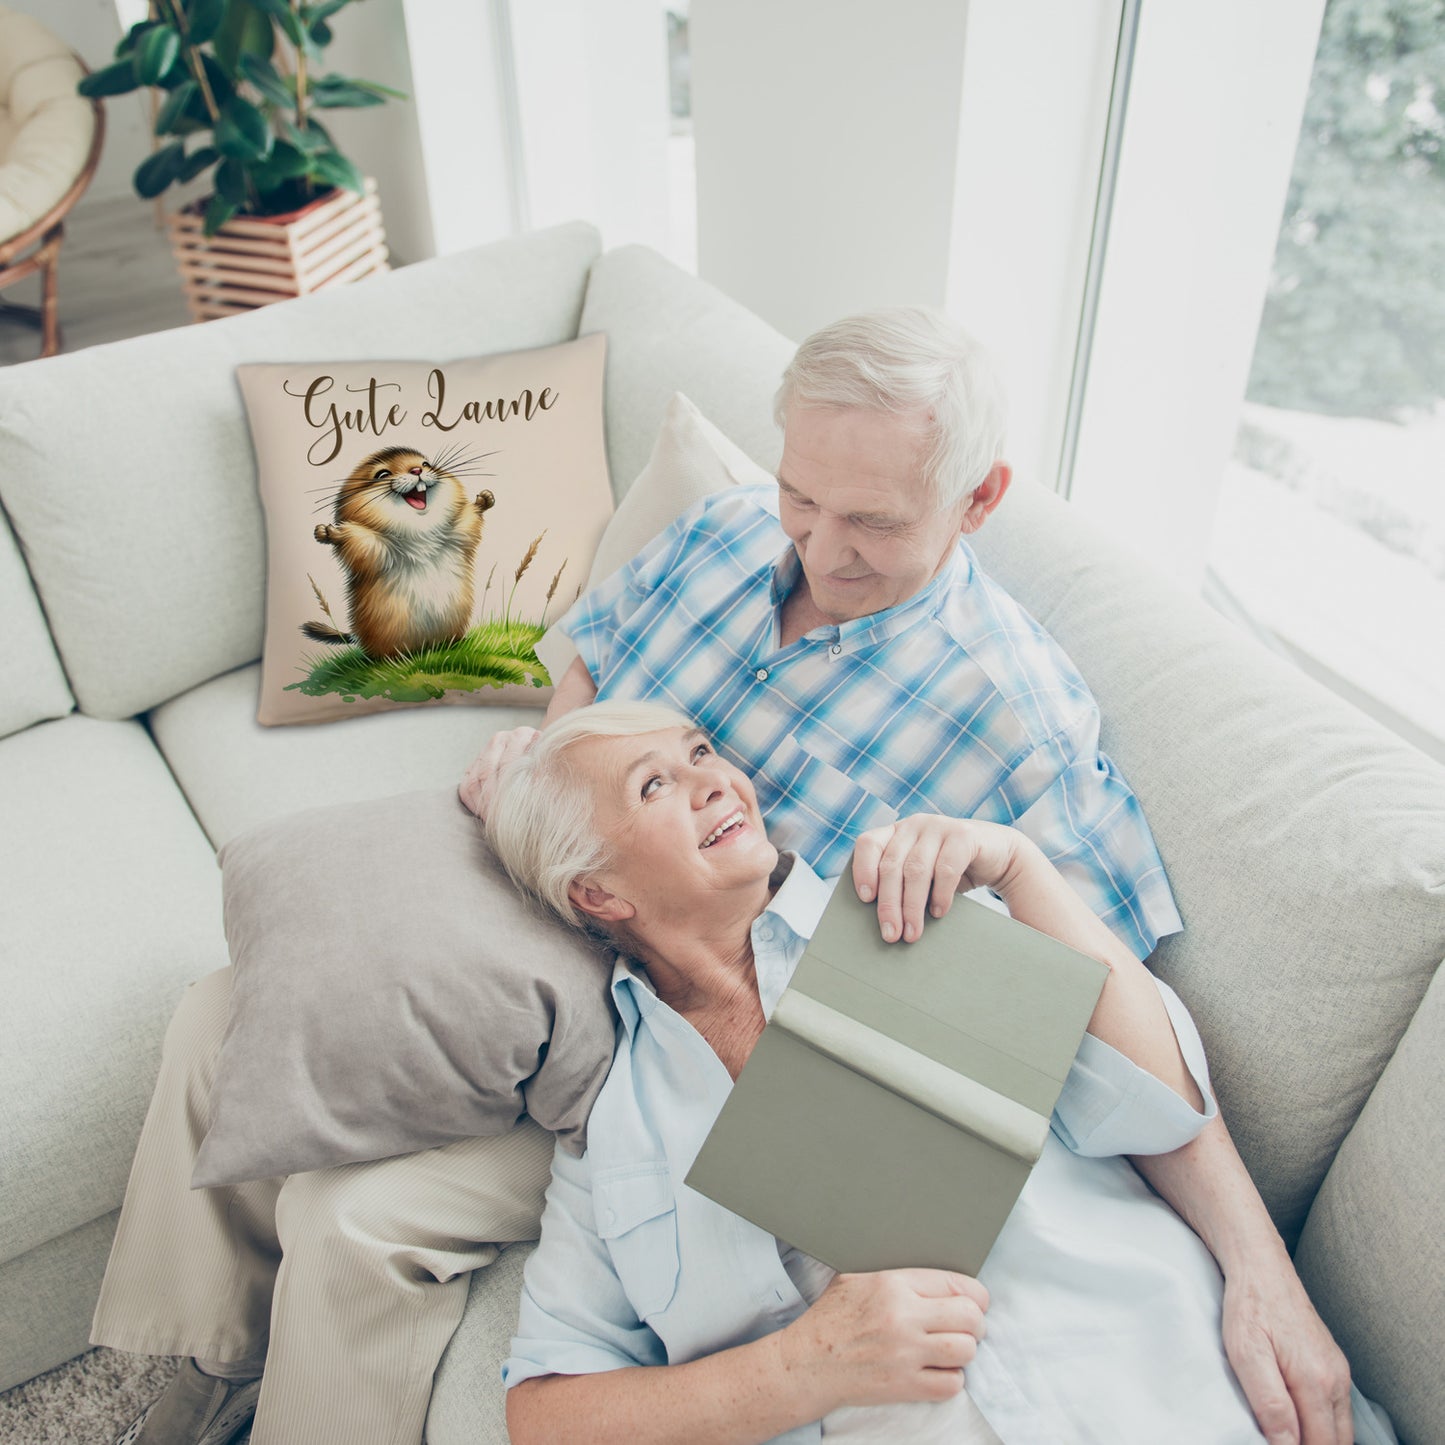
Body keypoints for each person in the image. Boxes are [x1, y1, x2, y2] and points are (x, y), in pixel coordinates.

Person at [94, 309, 1348, 1445]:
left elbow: (1103, 1020)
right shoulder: (726, 532)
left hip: (693, 1013)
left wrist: (1260, 1266)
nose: (818, 544)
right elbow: (589, 666)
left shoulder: (1016, 724)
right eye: (804, 495)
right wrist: (545, 763)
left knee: (355, 1218)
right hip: (581, 888)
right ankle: (192, 1364)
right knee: (229, 1007)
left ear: (976, 501)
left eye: (871, 520)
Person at [486, 700, 1383, 1445]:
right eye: (655, 784)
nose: (714, 779)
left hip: (1175, 1391)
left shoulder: (909, 907)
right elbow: (545, 1412)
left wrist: (1021, 869)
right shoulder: (614, 1132)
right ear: (597, 893)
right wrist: (802, 1367)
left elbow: (1158, 1106)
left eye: (700, 752)